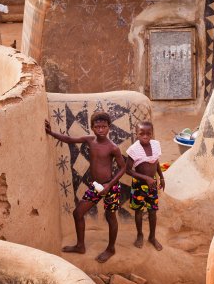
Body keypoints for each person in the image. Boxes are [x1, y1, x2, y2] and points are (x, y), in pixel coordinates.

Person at [45, 111, 126, 263]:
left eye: (104, 126)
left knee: (110, 217)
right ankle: (80, 245)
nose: (100, 130)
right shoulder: (90, 140)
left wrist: (109, 184)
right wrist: (51, 133)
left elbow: (123, 168)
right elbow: (69, 139)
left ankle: (111, 248)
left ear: (109, 127)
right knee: (78, 213)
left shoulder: (113, 147)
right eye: (97, 127)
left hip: (111, 186)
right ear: (92, 128)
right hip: (96, 187)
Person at [126, 121, 164, 251]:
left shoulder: (155, 144)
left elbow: (156, 162)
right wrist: (146, 178)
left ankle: (152, 237)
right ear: (136, 134)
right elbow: (128, 170)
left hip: (152, 184)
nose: (145, 136)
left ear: (152, 134)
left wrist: (162, 177)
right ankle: (140, 235)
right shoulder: (133, 149)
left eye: (149, 133)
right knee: (139, 211)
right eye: (142, 133)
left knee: (152, 211)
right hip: (139, 186)